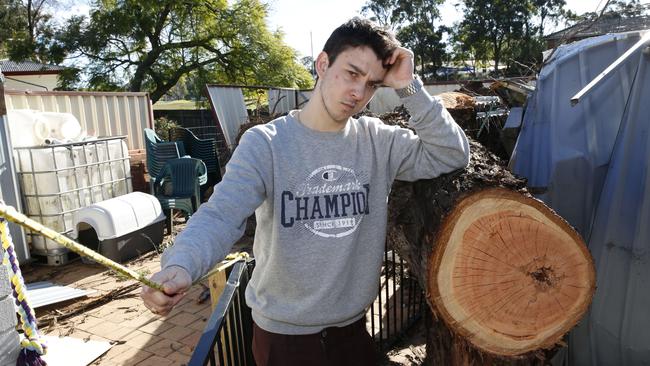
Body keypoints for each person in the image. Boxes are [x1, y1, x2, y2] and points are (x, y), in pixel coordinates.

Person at [141, 17, 470, 365]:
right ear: (323, 64)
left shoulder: (379, 142)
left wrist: (409, 86)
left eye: (372, 84)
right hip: (283, 339)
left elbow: (450, 153)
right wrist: (180, 265)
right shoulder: (266, 144)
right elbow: (222, 214)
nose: (359, 93)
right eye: (352, 73)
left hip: (353, 332)